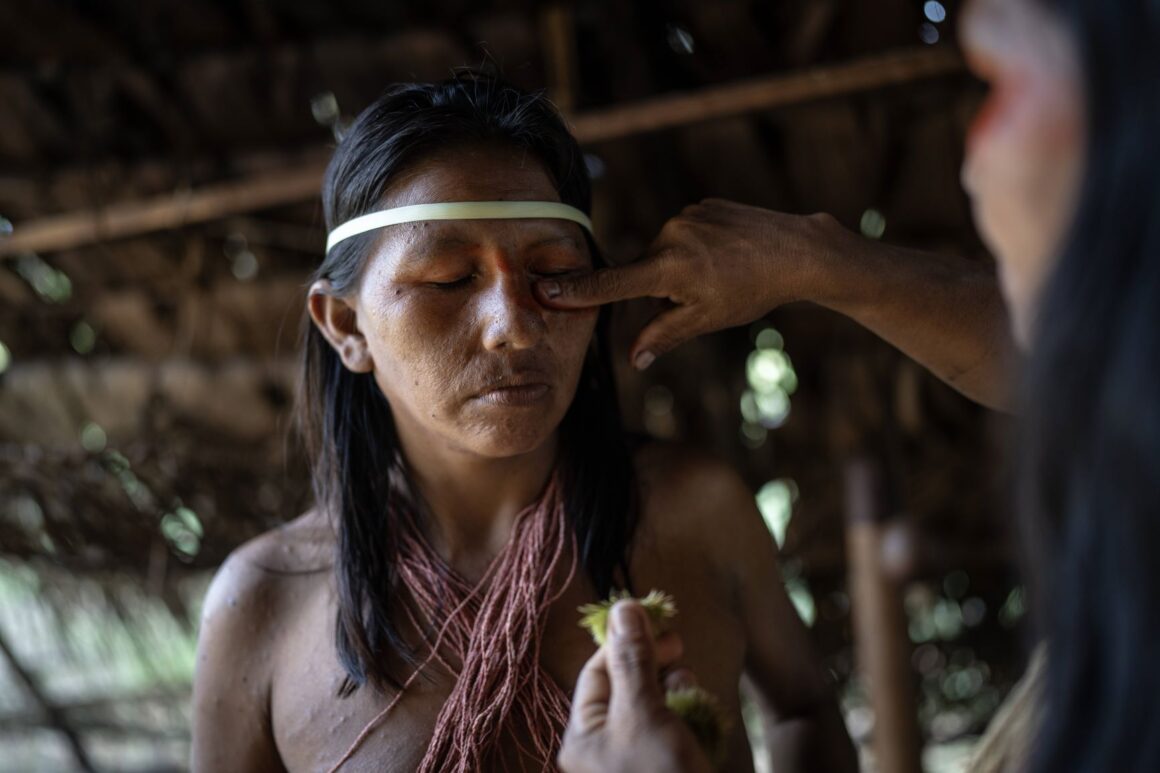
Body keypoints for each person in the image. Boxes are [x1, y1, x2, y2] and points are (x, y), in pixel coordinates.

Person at [191, 73, 857, 773]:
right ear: (347, 325)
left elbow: (802, 709)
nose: (512, 325)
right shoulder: (262, 602)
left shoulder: (698, 511)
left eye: (554, 272)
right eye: (449, 279)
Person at [555, 0, 1160, 770]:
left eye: (996, 83)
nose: (969, 168)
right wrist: (817, 259)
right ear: (346, 324)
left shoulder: (694, 499)